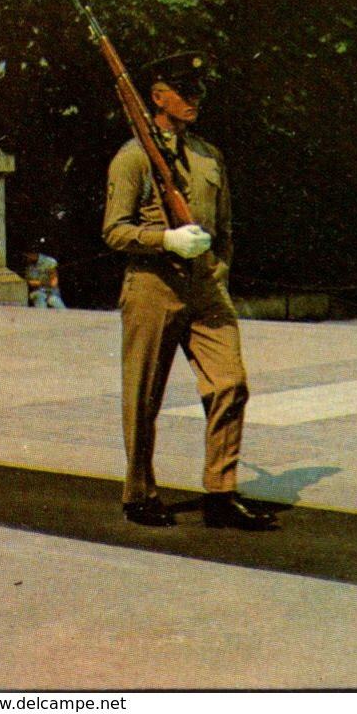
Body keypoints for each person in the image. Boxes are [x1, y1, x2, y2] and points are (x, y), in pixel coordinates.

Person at [102, 51, 276, 531]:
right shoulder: (133, 157)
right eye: (184, 90)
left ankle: (220, 493)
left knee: (230, 383)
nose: (195, 98)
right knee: (143, 397)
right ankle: (139, 493)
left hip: (204, 287)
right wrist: (164, 240)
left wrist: (218, 270)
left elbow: (225, 227)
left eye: (198, 89)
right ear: (157, 98)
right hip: (152, 287)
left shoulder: (206, 154)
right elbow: (114, 231)